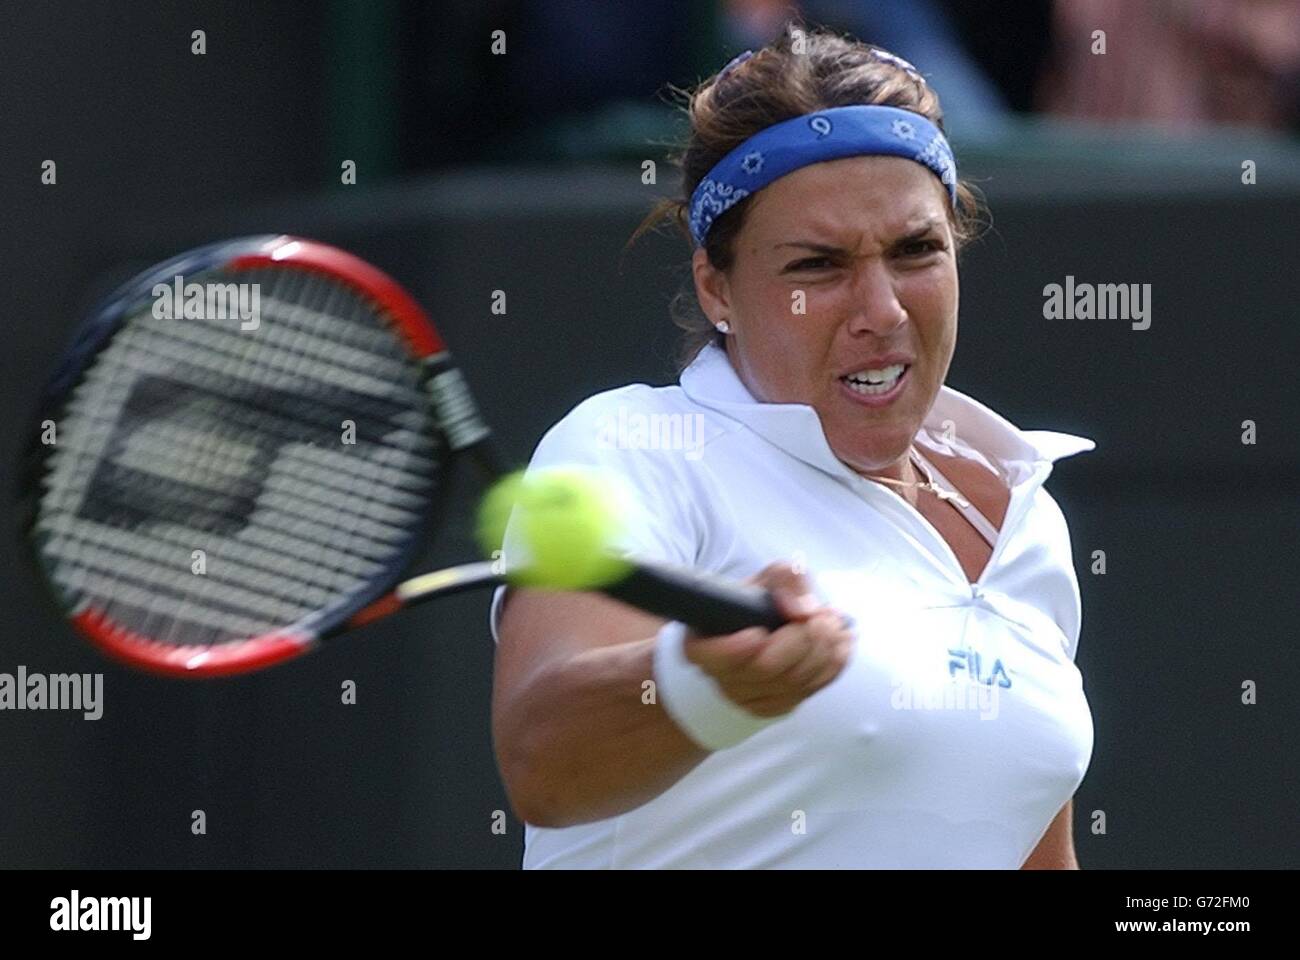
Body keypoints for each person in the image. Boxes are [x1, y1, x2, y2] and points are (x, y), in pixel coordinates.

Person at [489, 24, 1095, 869]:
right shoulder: (636, 446)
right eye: (817, 265)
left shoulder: (1025, 514)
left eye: (915, 249)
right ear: (717, 286)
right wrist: (704, 684)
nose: (881, 309)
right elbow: (544, 764)